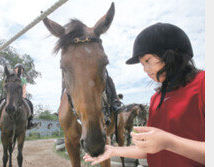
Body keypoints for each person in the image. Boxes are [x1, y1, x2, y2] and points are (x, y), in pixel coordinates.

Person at [83, 23, 205, 166]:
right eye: (142, 64)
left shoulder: (203, 84)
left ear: (172, 54)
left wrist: (169, 142)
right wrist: (113, 151)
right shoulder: (156, 99)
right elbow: (150, 150)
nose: (145, 70)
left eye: (148, 61)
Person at [0, 64, 36, 129]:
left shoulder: (22, 79)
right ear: (14, 69)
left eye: (21, 69)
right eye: (18, 68)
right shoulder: (8, 77)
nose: (19, 70)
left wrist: (24, 94)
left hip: (18, 97)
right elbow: (4, 85)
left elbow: (23, 87)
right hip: (9, 95)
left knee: (29, 103)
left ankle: (30, 121)